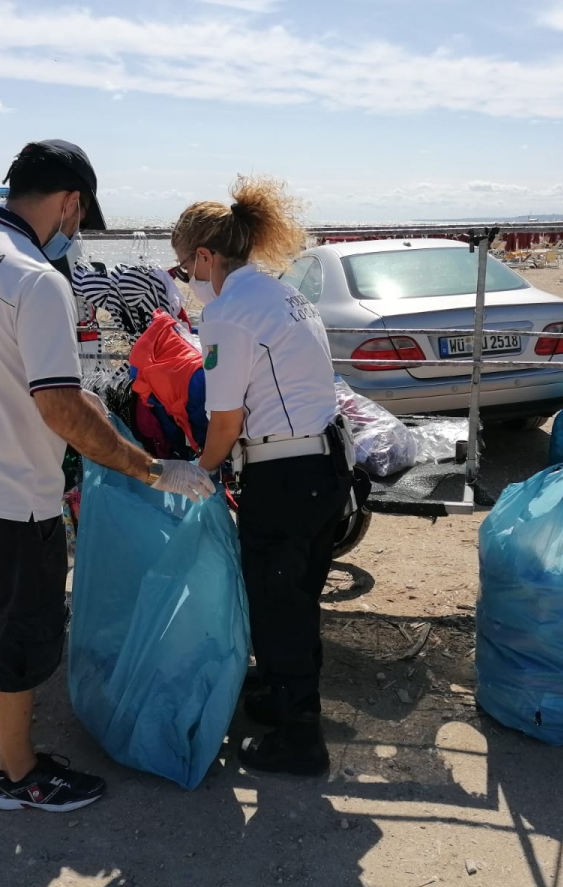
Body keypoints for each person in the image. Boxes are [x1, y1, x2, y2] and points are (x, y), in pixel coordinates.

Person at [0, 139, 214, 812]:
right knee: (21, 630)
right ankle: (19, 778)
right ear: (70, 200)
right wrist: (151, 467)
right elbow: (59, 404)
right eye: (80, 217)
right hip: (11, 492)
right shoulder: (36, 279)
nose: (76, 232)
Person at [178, 175, 352, 777]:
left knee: (279, 605)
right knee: (297, 599)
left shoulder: (229, 312)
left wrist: (195, 474)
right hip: (325, 466)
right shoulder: (285, 295)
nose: (188, 282)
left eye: (184, 269)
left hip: (285, 476)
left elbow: (224, 422)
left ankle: (301, 738)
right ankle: (281, 695)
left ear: (204, 257)